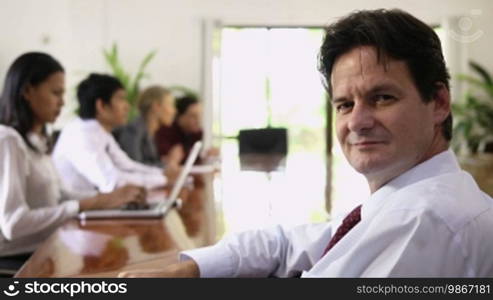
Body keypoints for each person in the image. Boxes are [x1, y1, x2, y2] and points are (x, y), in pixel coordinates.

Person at [120, 9, 493, 278]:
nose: (357, 122)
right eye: (344, 105)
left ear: (439, 103)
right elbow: (287, 243)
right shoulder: (407, 198)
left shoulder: (421, 218)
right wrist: (192, 270)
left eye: (382, 97)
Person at [0, 53, 145, 269]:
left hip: (47, 247)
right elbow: (13, 223)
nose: (62, 102)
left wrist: (109, 199)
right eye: (55, 93)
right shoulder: (8, 140)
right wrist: (88, 203)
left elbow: (60, 195)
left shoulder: (38, 140)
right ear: (28, 91)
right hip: (18, 261)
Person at [53, 74, 177, 195]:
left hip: (96, 205)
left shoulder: (100, 131)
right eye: (121, 99)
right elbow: (112, 183)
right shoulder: (80, 135)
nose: (127, 107)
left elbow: (127, 166)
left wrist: (162, 173)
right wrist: (163, 179)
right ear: (101, 105)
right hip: (80, 211)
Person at [115, 85, 176, 167]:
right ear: (156, 106)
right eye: (170, 105)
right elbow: (134, 166)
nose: (174, 111)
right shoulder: (134, 131)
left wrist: (166, 163)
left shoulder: (149, 131)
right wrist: (166, 166)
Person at [154, 94, 218, 166]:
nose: (198, 120)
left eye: (200, 115)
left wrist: (206, 157)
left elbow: (192, 160)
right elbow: (165, 160)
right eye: (193, 116)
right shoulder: (165, 132)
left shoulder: (197, 133)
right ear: (179, 116)